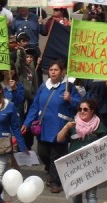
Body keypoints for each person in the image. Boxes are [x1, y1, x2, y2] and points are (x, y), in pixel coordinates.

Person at [22, 60, 81, 193]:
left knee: (57, 154)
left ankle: (55, 181)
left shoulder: (68, 87)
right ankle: (52, 170)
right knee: (43, 153)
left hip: (60, 127)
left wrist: (71, 99)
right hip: (43, 127)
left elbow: (80, 105)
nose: (53, 72)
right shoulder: (43, 86)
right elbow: (35, 105)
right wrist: (27, 122)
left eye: (56, 70)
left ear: (62, 72)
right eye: (51, 70)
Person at [57, 99, 107, 203]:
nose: (82, 112)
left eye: (85, 109)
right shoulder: (73, 124)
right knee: (76, 193)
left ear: (92, 111)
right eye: (80, 109)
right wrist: (66, 127)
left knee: (91, 195)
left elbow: (106, 144)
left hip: (92, 165)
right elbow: (59, 139)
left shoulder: (99, 125)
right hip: (75, 165)